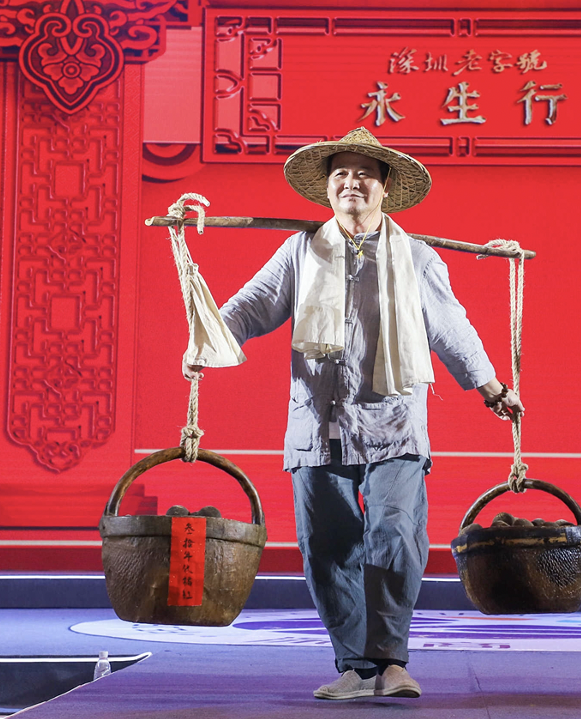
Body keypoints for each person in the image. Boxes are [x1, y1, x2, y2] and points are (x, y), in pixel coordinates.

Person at [184, 127, 523, 701]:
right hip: (318, 421)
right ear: (327, 188)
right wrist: (204, 343)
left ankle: (390, 662)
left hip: (394, 421)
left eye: (364, 174)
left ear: (385, 187)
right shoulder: (300, 251)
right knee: (327, 545)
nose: (351, 183)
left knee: (395, 534)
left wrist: (491, 388)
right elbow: (251, 307)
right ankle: (354, 666)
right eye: (340, 174)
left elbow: (451, 326)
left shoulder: (416, 256)